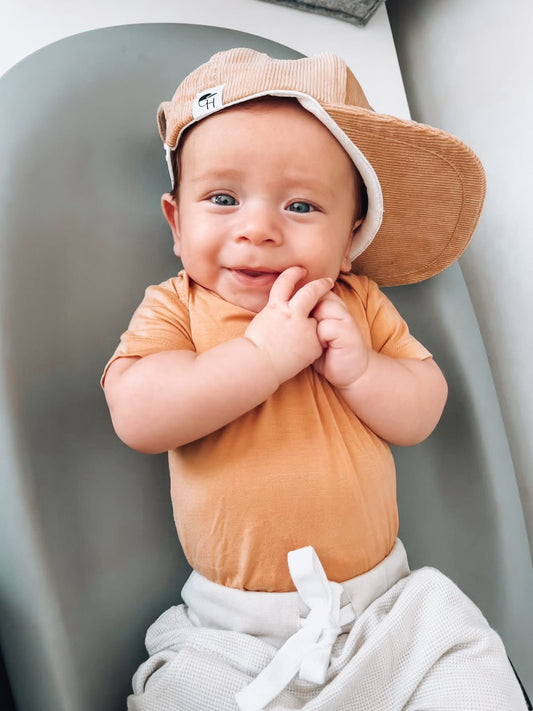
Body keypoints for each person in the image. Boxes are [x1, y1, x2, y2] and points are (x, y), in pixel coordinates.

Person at [102, 48, 528, 710]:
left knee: (469, 672)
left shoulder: (354, 303)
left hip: (385, 607)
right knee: (181, 694)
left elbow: (422, 407)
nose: (258, 229)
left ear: (350, 235)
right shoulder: (175, 305)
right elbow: (138, 413)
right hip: (231, 627)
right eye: (222, 198)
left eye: (300, 206)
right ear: (176, 223)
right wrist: (263, 357)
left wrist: (359, 369)